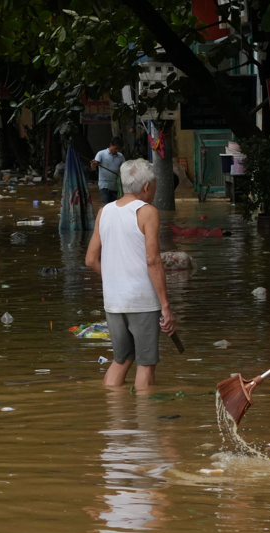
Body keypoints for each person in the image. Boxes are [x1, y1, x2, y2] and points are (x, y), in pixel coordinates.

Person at [85, 158, 175, 389]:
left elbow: (90, 259)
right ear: (146, 187)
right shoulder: (147, 212)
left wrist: (115, 281)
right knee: (146, 363)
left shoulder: (104, 211)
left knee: (121, 359)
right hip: (142, 301)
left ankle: (115, 415)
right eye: (153, 185)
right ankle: (145, 418)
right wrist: (165, 305)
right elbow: (153, 261)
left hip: (113, 301)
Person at [91, 137, 125, 205]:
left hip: (115, 186)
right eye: (116, 148)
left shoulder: (121, 156)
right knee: (106, 205)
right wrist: (94, 164)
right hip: (104, 185)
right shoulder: (101, 153)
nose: (117, 150)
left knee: (114, 205)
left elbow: (124, 168)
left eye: (119, 149)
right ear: (110, 145)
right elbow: (93, 167)